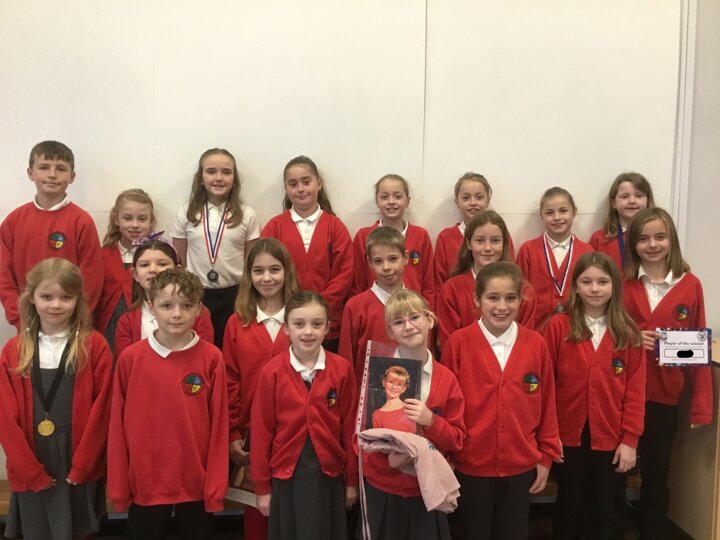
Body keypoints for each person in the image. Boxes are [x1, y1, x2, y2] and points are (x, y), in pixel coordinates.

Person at [108, 267, 228, 540]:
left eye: (186, 305)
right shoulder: (130, 359)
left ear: (199, 308)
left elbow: (219, 427)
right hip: (146, 481)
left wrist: (215, 486)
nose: (176, 314)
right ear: (151, 306)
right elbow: (117, 426)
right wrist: (119, 486)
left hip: (195, 482)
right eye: (166, 305)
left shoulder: (212, 358)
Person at [442, 261, 560, 540]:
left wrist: (546, 456)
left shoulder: (536, 344)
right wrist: (447, 456)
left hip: (520, 466)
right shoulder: (458, 343)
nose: (502, 306)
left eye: (510, 298)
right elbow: (446, 407)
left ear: (521, 299)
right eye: (493, 298)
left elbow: (547, 404)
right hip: (470, 466)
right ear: (477, 299)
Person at [0, 258, 112, 539]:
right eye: (47, 297)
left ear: (78, 299)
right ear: (32, 297)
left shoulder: (94, 346)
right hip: (31, 457)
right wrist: (28, 469)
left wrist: (84, 465)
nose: (56, 305)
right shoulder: (14, 350)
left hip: (78, 456)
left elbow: (103, 410)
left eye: (66, 297)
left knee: (79, 528)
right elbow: (5, 418)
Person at [622, 207, 713, 540]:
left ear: (671, 240)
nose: (652, 244)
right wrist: (631, 337)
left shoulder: (691, 285)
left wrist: (700, 406)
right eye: (644, 238)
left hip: (664, 397)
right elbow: (603, 332)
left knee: (657, 474)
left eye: (660, 237)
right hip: (621, 397)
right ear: (633, 244)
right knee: (616, 471)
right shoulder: (621, 282)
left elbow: (698, 349)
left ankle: (652, 532)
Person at [544, 252, 645, 540]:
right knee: (570, 504)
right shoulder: (558, 326)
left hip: (612, 436)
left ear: (614, 285)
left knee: (606, 507)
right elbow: (547, 387)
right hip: (568, 436)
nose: (595, 289)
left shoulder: (628, 332)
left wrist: (630, 440)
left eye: (602, 281)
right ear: (575, 287)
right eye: (586, 282)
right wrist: (549, 437)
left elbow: (635, 391)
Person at [250, 291, 358, 540]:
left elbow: (349, 427)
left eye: (316, 324)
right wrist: (262, 486)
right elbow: (261, 432)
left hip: (328, 476)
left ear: (327, 328)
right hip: (286, 477)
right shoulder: (272, 372)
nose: (308, 332)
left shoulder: (341, 370)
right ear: (286, 327)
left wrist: (352, 480)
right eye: (299, 324)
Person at [362, 290, 465, 540]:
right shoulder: (376, 374)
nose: (408, 326)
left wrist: (431, 421)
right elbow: (364, 438)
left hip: (426, 490)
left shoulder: (446, 379)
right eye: (399, 322)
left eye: (415, 317)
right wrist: (390, 455)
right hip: (384, 488)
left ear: (430, 319)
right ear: (390, 331)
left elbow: (456, 439)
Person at [223, 238, 299, 540]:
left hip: (295, 431)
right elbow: (230, 381)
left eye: (274, 269)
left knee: (293, 511)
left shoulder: (301, 319)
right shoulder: (237, 323)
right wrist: (232, 433)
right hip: (251, 432)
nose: (267, 278)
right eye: (258, 271)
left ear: (287, 271)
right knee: (258, 513)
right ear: (249, 275)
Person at [0, 140, 103, 331]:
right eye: (44, 167)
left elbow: (92, 278)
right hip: (27, 324)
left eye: (61, 169)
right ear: (30, 173)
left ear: (72, 176)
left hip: (71, 325)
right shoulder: (14, 221)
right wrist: (19, 317)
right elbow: (3, 275)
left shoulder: (81, 221)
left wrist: (77, 317)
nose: (52, 175)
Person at [261, 156, 353, 352]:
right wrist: (292, 309)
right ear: (286, 188)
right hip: (286, 322)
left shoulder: (335, 227)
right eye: (293, 184)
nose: (300, 189)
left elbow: (344, 273)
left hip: (327, 324)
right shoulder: (274, 227)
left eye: (306, 182)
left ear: (319, 183)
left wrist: (319, 308)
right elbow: (265, 271)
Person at [172, 148, 261, 348]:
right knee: (198, 348)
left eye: (226, 172)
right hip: (196, 295)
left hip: (235, 295)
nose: (219, 178)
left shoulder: (247, 215)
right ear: (201, 178)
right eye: (211, 171)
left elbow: (251, 261)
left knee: (232, 348)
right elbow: (180, 261)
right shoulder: (186, 213)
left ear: (234, 179)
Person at [437, 210, 536, 347]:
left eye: (495, 240)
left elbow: (528, 344)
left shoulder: (524, 290)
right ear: (469, 243)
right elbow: (450, 346)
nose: (488, 248)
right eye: (480, 240)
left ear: (504, 243)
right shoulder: (451, 290)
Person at [114, 238, 213, 357]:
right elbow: (125, 363)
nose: (153, 270)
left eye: (162, 264)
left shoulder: (199, 314)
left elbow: (205, 357)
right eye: (144, 265)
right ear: (135, 274)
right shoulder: (127, 321)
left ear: (178, 270)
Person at [516, 187, 593, 332]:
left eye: (563, 211)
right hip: (536, 330)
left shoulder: (587, 251)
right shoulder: (528, 250)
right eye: (549, 213)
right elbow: (519, 292)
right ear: (541, 215)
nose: (557, 217)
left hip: (576, 329)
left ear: (574, 212)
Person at [351, 174, 435, 307]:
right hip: (374, 310)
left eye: (398, 196)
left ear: (407, 201)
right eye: (384, 197)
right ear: (377, 201)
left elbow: (429, 284)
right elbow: (357, 283)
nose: (391, 201)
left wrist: (426, 311)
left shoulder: (421, 235)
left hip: (413, 311)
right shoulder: (363, 236)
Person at [339, 226, 410, 382]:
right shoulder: (355, 307)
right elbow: (346, 361)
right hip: (364, 393)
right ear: (369, 263)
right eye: (378, 261)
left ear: (405, 258)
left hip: (410, 394)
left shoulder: (418, 305)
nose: (386, 267)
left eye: (393, 259)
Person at [434, 172, 516, 298]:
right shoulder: (445, 237)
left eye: (479, 197)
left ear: (488, 200)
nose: (473, 203)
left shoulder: (500, 234)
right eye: (466, 198)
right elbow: (440, 281)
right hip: (458, 300)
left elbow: (510, 269)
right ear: (457, 202)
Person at [95, 188, 156, 352]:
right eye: (128, 218)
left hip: (143, 329)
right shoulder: (101, 256)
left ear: (151, 221)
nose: (135, 225)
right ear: (116, 219)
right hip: (108, 328)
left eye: (142, 219)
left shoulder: (157, 258)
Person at [588, 172, 654, 269]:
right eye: (624, 196)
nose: (632, 201)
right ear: (613, 203)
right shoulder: (599, 239)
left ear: (648, 201)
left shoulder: (658, 238)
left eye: (638, 196)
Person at [370, 366, 416, 432]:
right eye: (391, 382)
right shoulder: (377, 415)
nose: (394, 387)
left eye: (399, 384)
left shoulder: (410, 409)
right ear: (383, 382)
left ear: (404, 388)